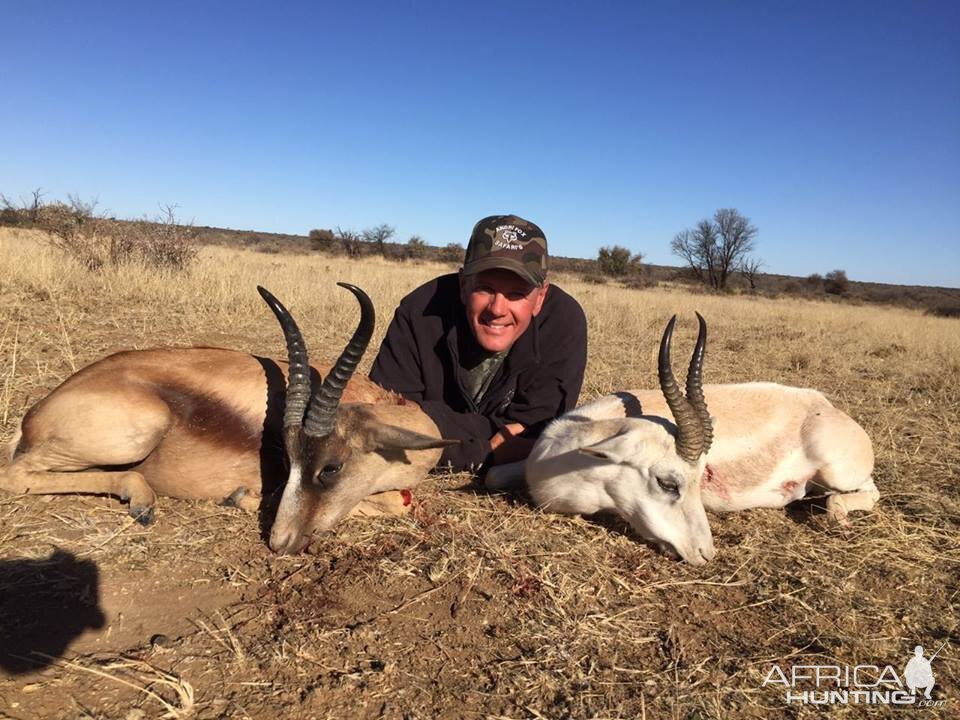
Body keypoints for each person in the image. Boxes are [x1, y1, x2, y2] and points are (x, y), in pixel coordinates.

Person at [369, 214, 588, 471]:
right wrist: (488, 449)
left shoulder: (563, 323)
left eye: (516, 293)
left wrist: (426, 416)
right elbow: (387, 420)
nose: (497, 309)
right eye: (485, 288)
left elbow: (534, 432)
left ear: (540, 298)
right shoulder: (419, 310)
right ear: (463, 285)